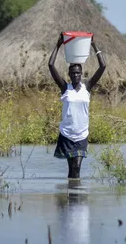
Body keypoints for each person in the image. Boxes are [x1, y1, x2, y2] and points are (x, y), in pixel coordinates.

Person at [48, 33, 106, 180]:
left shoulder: (87, 87)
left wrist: (93, 45)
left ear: (82, 74)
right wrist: (58, 44)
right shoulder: (65, 88)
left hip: (81, 134)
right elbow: (50, 65)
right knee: (71, 169)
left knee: (77, 167)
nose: (75, 76)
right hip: (67, 133)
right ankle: (71, 197)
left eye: (78, 73)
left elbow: (103, 66)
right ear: (69, 74)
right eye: (73, 73)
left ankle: (77, 199)